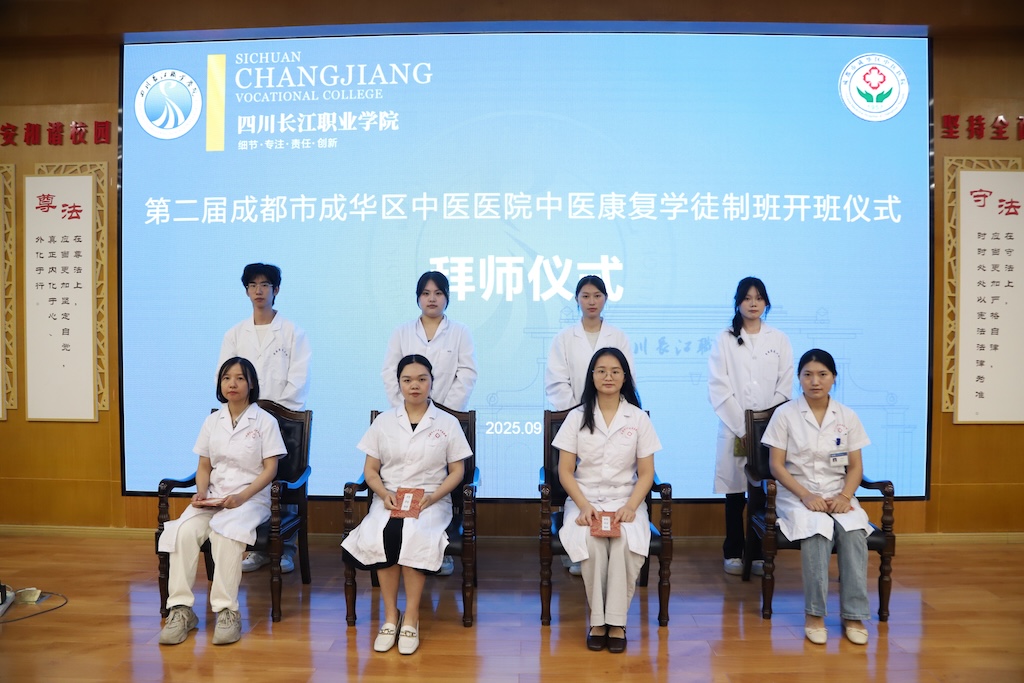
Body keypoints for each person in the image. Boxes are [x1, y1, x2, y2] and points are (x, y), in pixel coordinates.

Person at [343, 355, 473, 655]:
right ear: (399, 384)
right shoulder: (384, 422)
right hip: (389, 497)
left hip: (430, 500)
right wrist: (382, 493)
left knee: (414, 535)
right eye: (407, 380)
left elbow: (458, 471)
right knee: (384, 535)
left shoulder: (448, 423)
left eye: (422, 379)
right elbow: (370, 470)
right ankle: (391, 616)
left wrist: (434, 497)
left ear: (431, 382)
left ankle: (412, 617)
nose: (415, 385)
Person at [158, 357, 287, 646]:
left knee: (226, 534)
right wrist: (202, 492)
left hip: (250, 499)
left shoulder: (265, 421)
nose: (232, 383)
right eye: (227, 378)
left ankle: (227, 611)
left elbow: (271, 469)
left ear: (251, 384)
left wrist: (241, 497)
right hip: (214, 496)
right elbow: (204, 466)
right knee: (182, 532)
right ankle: (180, 610)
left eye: (240, 378)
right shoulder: (212, 421)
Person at [761, 348, 872, 646]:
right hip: (796, 494)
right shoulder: (785, 414)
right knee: (816, 530)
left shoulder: (847, 416)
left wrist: (845, 496)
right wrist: (806, 496)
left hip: (838, 492)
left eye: (822, 374)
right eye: (808, 375)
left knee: (854, 532)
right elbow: (776, 466)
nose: (815, 381)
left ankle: (854, 615)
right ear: (799, 378)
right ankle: (815, 615)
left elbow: (856, 467)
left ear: (834, 377)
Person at [553, 347, 661, 654]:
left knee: (625, 543)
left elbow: (646, 474)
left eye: (615, 371)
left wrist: (630, 507)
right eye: (601, 371)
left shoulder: (638, 418)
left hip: (626, 500)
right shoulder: (576, 417)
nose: (608, 377)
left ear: (625, 377)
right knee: (593, 542)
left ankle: (617, 622)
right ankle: (597, 622)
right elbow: (565, 471)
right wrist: (584, 506)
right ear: (592, 377)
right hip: (585, 501)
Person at [381, 270, 477, 576]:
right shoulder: (402, 332)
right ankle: (398, 548)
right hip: (407, 416)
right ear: (418, 298)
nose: (432, 299)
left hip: (446, 417)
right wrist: (406, 407)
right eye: (425, 293)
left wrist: (445, 410)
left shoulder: (460, 332)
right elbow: (390, 372)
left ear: (447, 297)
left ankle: (440, 549)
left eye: (438, 293)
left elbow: (467, 373)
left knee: (438, 482)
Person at [219, 262, 311, 575]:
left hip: (283, 420)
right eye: (253, 285)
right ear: (246, 291)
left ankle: (285, 550)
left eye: (265, 285)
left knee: (281, 482)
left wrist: (272, 415)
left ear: (276, 290)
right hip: (244, 419)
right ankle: (252, 548)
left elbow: (298, 378)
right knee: (246, 479)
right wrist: (248, 413)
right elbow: (225, 375)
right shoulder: (234, 334)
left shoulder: (293, 332)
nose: (259, 291)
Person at [546, 275, 636, 576]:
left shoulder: (618, 337)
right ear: (577, 300)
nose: (591, 301)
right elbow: (556, 381)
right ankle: (574, 549)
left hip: (612, 413)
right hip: (575, 416)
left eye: (597, 295)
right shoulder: (564, 338)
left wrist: (604, 409)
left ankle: (609, 546)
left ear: (605, 299)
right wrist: (581, 412)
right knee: (575, 476)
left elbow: (627, 377)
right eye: (585, 296)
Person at [707, 276, 792, 576]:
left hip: (770, 431)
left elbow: (785, 386)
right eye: (747, 298)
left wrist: (767, 427)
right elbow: (719, 387)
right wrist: (744, 427)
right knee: (735, 493)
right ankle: (733, 551)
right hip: (735, 430)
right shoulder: (725, 338)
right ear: (738, 302)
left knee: (762, 492)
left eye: (758, 298)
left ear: (766, 302)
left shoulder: (778, 339)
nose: (753, 303)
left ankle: (757, 553)